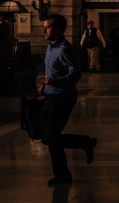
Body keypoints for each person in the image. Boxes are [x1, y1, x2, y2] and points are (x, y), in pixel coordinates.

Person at [39, 13, 97, 186]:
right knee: (45, 136)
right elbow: (52, 70)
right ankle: (84, 143)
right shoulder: (50, 47)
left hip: (64, 95)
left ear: (58, 29)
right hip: (50, 94)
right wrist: (45, 84)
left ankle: (62, 174)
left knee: (51, 134)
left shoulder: (65, 48)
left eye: (48, 27)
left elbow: (75, 73)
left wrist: (55, 82)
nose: (44, 30)